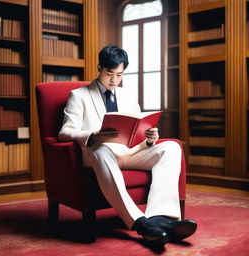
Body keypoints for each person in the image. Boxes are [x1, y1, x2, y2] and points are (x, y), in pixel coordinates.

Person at [59, 45, 197, 245]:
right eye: (109, 74)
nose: (114, 80)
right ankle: (141, 223)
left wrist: (150, 136)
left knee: (171, 147)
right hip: (98, 154)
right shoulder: (78, 95)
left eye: (119, 75)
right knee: (101, 149)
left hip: (129, 152)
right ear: (99, 67)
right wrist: (93, 135)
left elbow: (137, 130)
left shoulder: (128, 96)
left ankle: (161, 218)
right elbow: (64, 132)